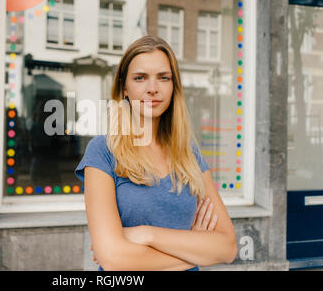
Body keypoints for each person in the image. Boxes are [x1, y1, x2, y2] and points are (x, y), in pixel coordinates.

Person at [74, 35, 237, 271]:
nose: (153, 89)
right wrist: (198, 252)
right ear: (124, 89)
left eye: (163, 78)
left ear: (174, 87)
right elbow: (113, 258)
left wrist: (146, 235)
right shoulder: (103, 151)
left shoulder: (188, 152)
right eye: (140, 78)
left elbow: (228, 247)